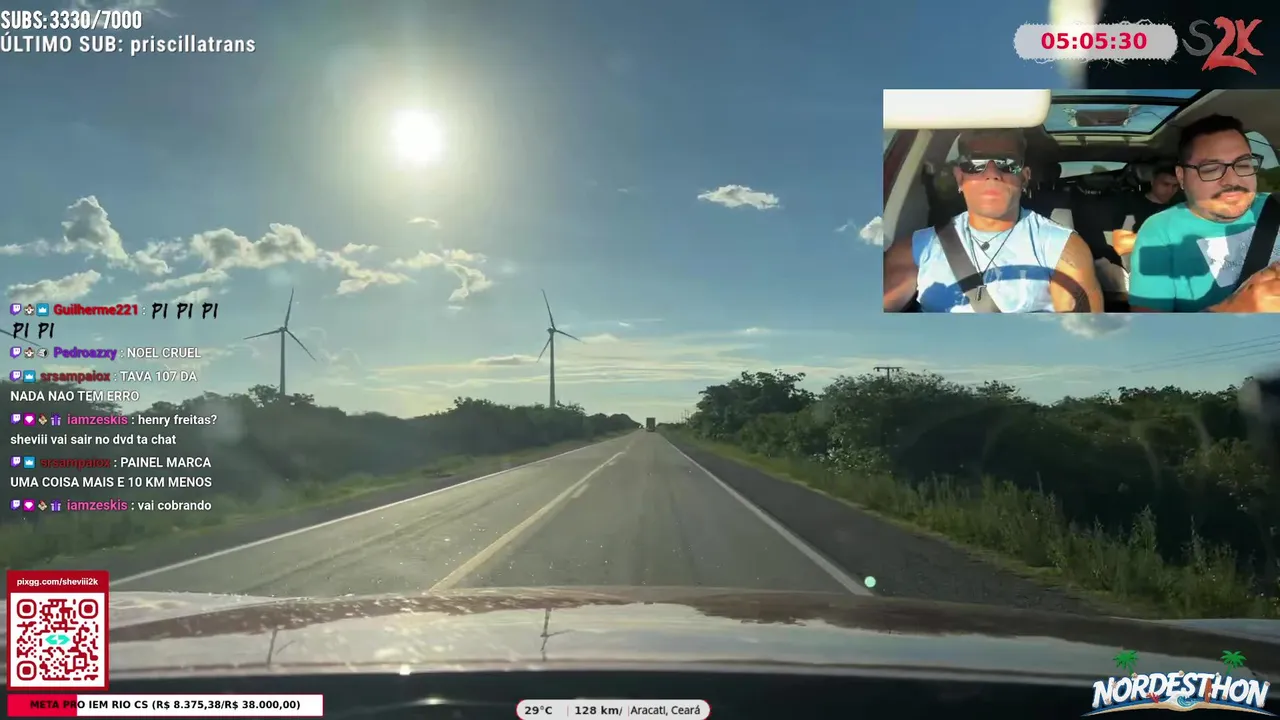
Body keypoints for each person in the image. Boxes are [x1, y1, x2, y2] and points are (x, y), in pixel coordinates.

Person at [883, 129, 1103, 313]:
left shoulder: (1061, 247)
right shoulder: (917, 249)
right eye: (976, 163)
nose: (991, 174)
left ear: (1024, 177)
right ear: (960, 177)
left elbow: (1082, 337)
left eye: (1006, 163)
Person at [1128, 114, 1280, 312]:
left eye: (1243, 165)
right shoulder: (1159, 232)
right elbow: (1148, 327)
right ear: (1181, 177)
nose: (1232, 180)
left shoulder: (1275, 205)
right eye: (1211, 169)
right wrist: (1233, 310)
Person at [1110, 164, 1181, 260]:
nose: (1170, 190)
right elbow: (1122, 245)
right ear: (1152, 182)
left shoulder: (1179, 207)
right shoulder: (1131, 204)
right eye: (1165, 184)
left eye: (1175, 186)